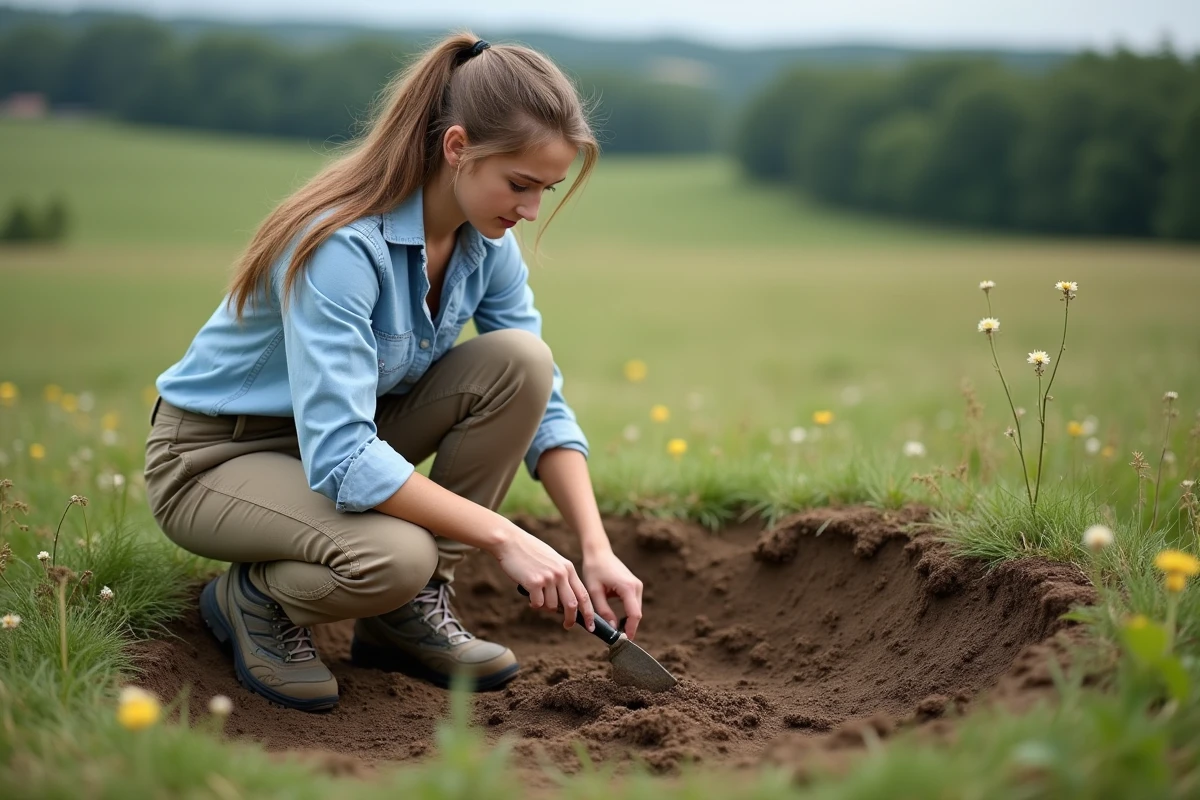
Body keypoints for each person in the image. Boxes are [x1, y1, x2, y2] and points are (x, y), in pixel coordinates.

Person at [143, 32, 645, 712]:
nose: (531, 211)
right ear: (458, 147)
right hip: (216, 458)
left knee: (523, 363)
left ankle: (403, 616)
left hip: (335, 444)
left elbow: (541, 404)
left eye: (545, 190)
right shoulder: (342, 247)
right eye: (520, 184)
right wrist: (505, 536)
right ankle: (254, 600)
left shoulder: (486, 241)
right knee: (398, 556)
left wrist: (595, 546)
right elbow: (343, 456)